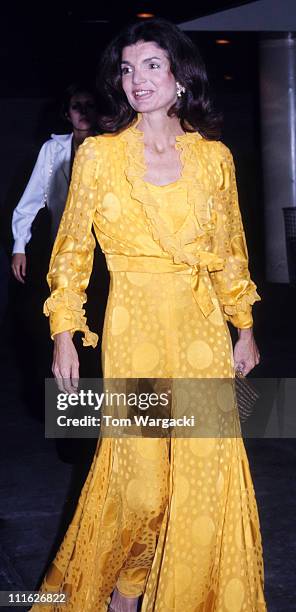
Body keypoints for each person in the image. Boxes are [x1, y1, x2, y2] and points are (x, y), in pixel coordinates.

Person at [30, 18, 267, 612]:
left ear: (182, 76)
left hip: (202, 331)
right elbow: (71, 254)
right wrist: (64, 333)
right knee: (140, 488)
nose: (137, 80)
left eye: (151, 66)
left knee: (202, 482)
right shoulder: (100, 156)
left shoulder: (214, 158)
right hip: (132, 327)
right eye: (127, 69)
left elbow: (231, 250)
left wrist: (245, 328)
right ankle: (125, 588)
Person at [11, 82, 99, 283]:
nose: (83, 111)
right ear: (67, 113)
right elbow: (30, 200)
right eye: (77, 106)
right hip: (63, 248)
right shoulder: (52, 150)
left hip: (104, 249)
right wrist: (19, 247)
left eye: (90, 105)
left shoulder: (110, 148)